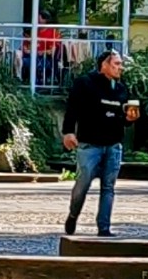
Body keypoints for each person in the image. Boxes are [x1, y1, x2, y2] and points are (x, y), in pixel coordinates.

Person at [58, 46, 137, 236]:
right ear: (104, 65)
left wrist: (129, 119)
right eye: (117, 64)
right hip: (89, 143)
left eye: (121, 64)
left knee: (108, 187)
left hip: (113, 144)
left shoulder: (121, 89)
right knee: (83, 184)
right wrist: (68, 132)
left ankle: (104, 227)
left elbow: (122, 118)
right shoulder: (85, 83)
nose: (120, 68)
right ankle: (73, 215)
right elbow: (72, 109)